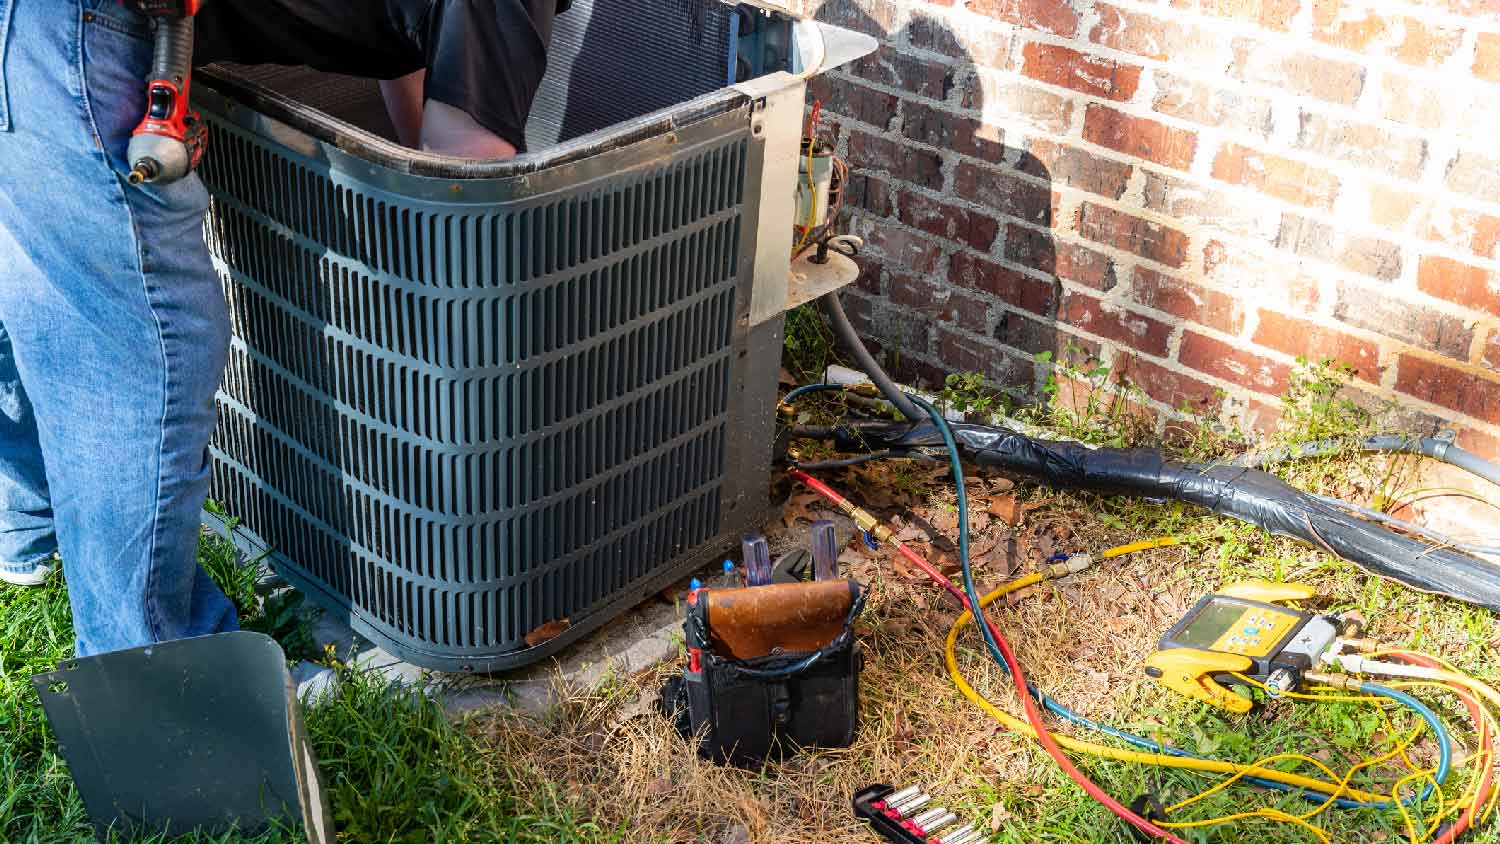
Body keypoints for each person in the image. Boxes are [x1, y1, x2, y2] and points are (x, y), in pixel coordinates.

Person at [0, 0, 563, 656]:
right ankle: (171, 685)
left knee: (35, 249)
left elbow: (423, 80)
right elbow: (467, 185)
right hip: (74, 30)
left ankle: (28, 526)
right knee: (147, 345)